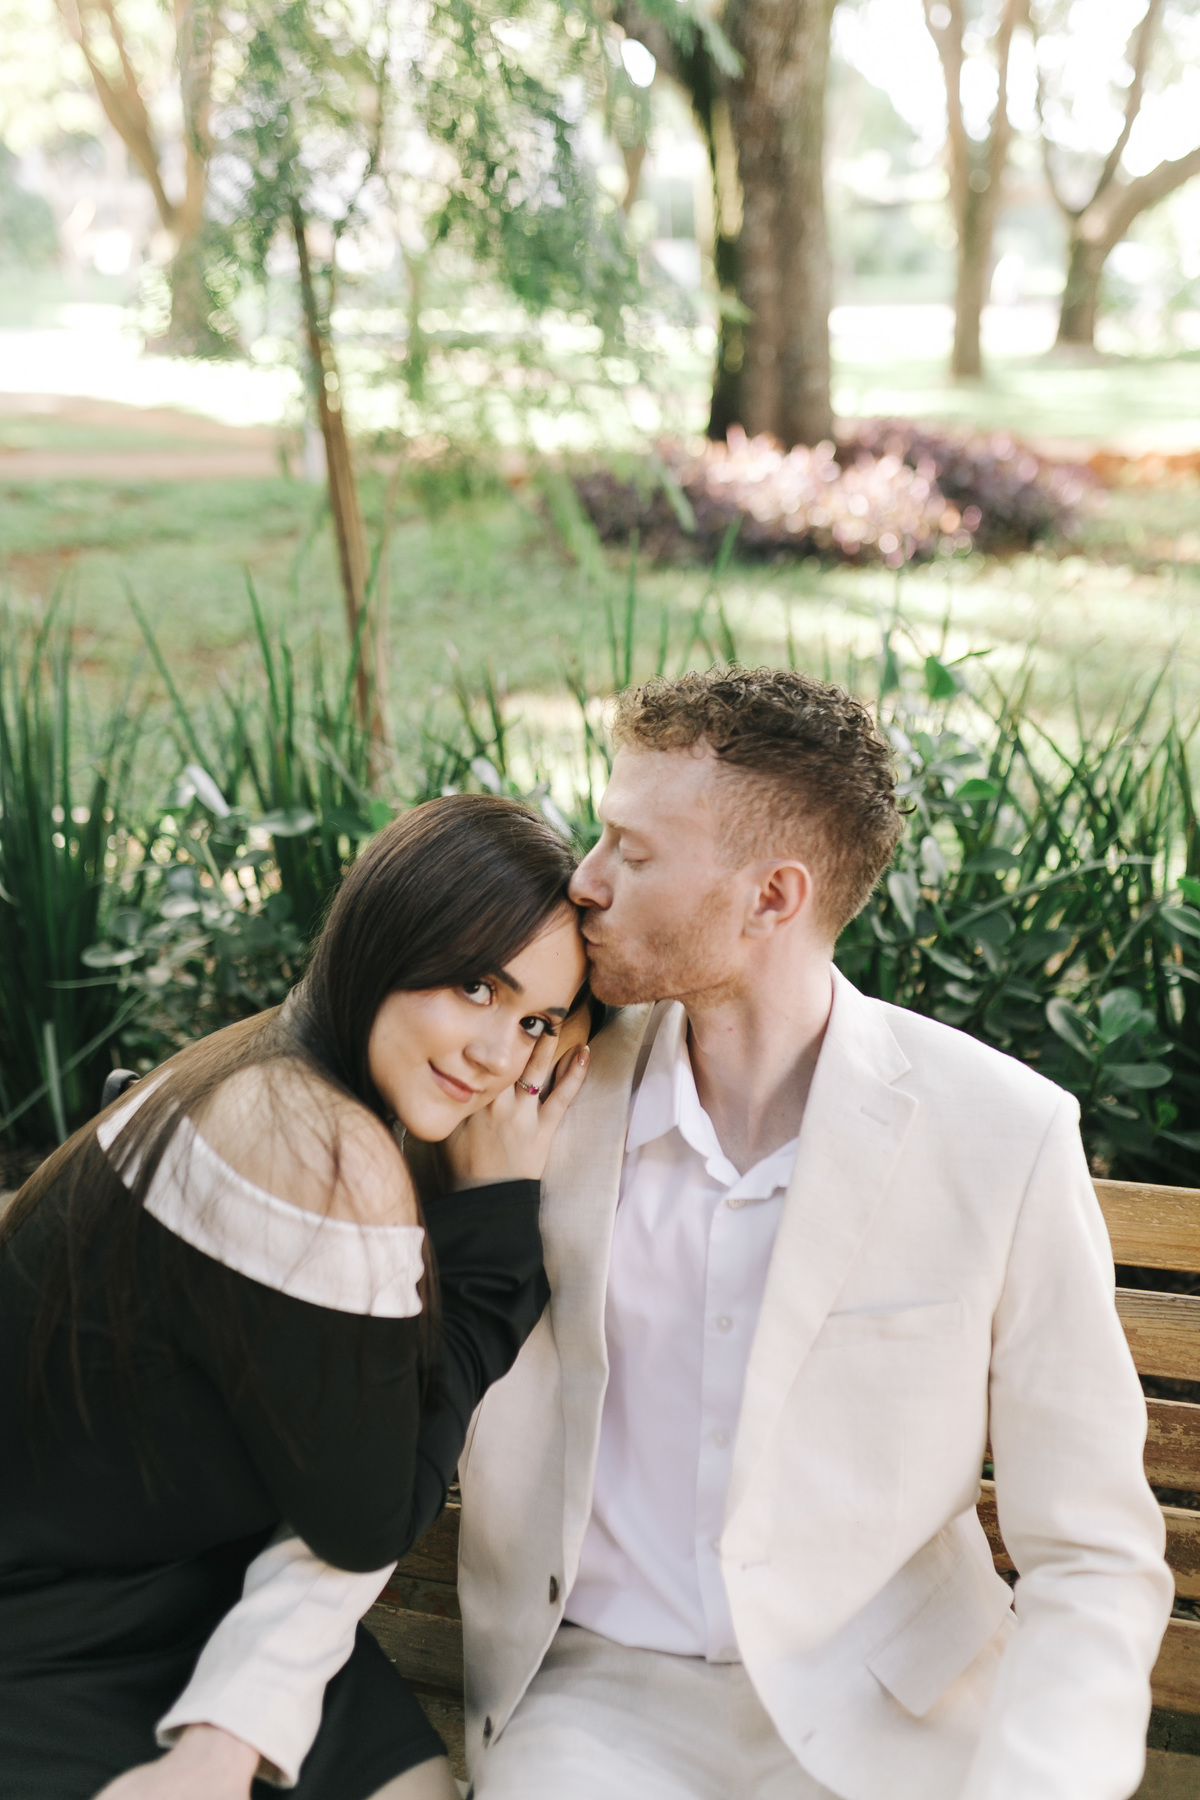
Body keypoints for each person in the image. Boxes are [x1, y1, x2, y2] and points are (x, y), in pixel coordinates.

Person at [139, 668, 1172, 1800]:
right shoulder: (520, 1097)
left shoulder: (1002, 1133)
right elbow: (389, 1438)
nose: (583, 880)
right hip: (593, 1712)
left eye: (630, 852)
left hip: (899, 1718)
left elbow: (1093, 1555)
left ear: (772, 897)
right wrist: (228, 1731)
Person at [0, 793, 592, 1800]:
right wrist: (492, 1242)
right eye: (476, 986)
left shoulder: (269, 1063)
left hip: (190, 1582)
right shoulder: (319, 1148)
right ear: (388, 933)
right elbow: (370, 1520)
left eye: (534, 1022)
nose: (499, 1057)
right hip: (55, 1626)